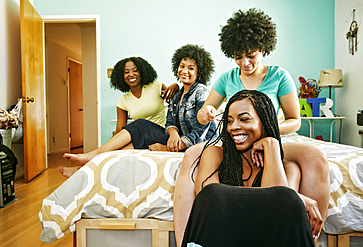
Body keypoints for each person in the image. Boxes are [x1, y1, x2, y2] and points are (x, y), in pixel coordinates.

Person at [173, 8, 329, 246]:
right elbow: (206, 114)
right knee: (194, 154)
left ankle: (311, 237)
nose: (244, 62)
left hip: (275, 135)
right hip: (238, 141)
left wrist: (269, 134)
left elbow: (294, 120)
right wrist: (205, 113)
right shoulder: (226, 79)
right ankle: (188, 239)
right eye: (238, 56)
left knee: (315, 156)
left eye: (251, 55)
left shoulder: (279, 76)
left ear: (262, 49)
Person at [59, 44, 217, 177]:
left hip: (182, 142)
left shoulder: (200, 92)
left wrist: (170, 146)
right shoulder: (176, 96)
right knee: (120, 150)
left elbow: (201, 131)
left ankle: (91, 157)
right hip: (169, 138)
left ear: (199, 72)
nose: (184, 71)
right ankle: (86, 168)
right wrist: (174, 133)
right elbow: (170, 121)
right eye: (182, 66)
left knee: (140, 125)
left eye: (191, 68)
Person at [182, 90, 315, 247]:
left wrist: (271, 145)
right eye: (230, 121)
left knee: (286, 198)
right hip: (220, 239)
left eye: (244, 119)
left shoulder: (289, 168)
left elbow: (277, 211)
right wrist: (296, 197)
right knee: (211, 193)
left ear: (265, 123)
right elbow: (209, 199)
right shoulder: (215, 154)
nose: (234, 127)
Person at [59, 56, 179, 177]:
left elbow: (176, 94)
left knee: (140, 123)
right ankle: (81, 170)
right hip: (142, 139)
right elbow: (119, 130)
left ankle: (92, 154)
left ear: (142, 71)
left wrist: (175, 86)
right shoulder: (123, 101)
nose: (131, 74)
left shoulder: (156, 86)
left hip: (161, 134)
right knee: (115, 153)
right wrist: (114, 145)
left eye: (135, 70)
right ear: (121, 77)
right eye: (126, 72)